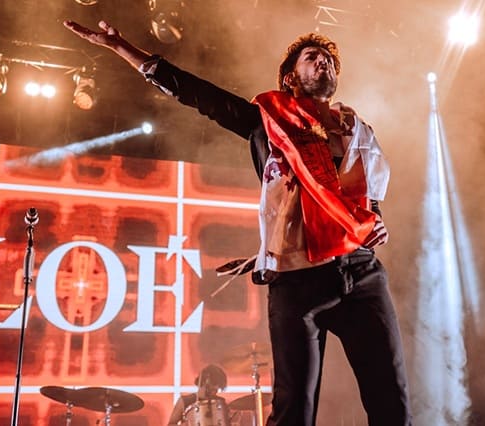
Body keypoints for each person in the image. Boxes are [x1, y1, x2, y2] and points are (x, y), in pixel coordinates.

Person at [64, 20, 412, 425]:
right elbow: (198, 94)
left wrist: (376, 222)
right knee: (294, 410)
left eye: (330, 61)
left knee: (392, 402)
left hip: (361, 272)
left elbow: (361, 196)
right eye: (312, 57)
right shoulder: (269, 121)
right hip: (298, 278)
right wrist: (122, 47)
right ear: (290, 78)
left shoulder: (357, 131)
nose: (324, 63)